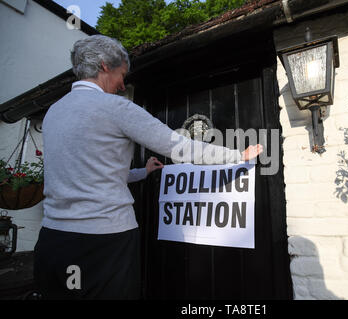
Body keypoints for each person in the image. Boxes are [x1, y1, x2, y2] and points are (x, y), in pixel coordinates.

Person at [33, 35, 263, 300]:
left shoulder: (54, 112)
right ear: (105, 65)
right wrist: (238, 155)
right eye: (122, 74)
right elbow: (180, 147)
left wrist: (144, 172)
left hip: (53, 240)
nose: (122, 85)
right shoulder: (116, 107)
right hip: (102, 242)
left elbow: (89, 173)